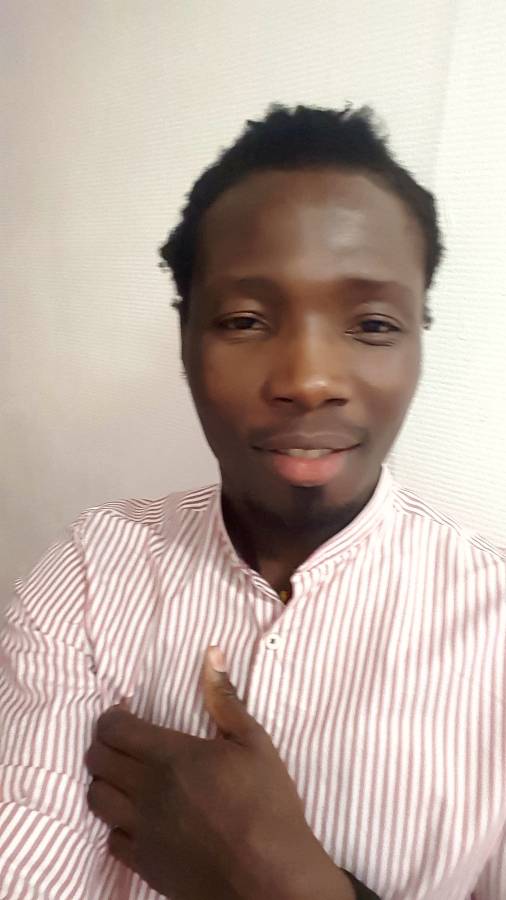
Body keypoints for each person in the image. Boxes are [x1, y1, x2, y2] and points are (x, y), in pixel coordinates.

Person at [0, 104, 504, 900]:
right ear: (186, 341)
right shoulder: (93, 572)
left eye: (373, 323)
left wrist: (280, 884)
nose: (309, 379)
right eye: (244, 319)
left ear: (418, 342)